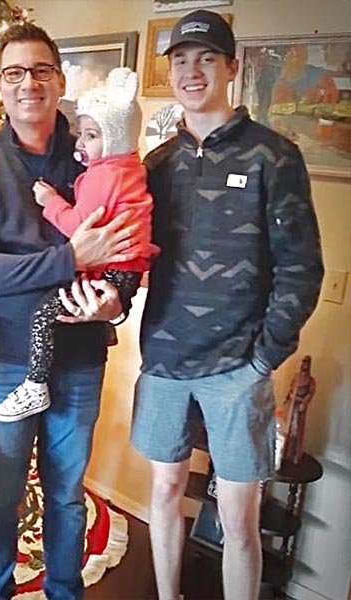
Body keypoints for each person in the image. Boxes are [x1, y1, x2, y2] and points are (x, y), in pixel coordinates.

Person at [0, 22, 147, 600]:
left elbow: (130, 237)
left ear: (59, 80)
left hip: (80, 356)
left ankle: (64, 591)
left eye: (40, 70)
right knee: (0, 493)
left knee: (66, 494)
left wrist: (117, 301)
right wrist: (69, 258)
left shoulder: (94, 151)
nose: (27, 83)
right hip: (5, 358)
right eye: (14, 72)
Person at [130, 10, 324, 600]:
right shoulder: (157, 164)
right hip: (164, 361)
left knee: (238, 519)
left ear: (232, 68)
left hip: (239, 369)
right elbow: (132, 257)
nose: (192, 72)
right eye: (181, 60)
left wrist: (264, 357)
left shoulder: (274, 156)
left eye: (207, 59)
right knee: (165, 493)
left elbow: (301, 268)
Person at [0, 67, 157, 422]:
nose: (80, 142)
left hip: (112, 273)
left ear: (114, 138)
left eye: (92, 135)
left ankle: (35, 385)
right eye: (82, 133)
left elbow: (80, 228)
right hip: (124, 272)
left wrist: (50, 201)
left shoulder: (104, 175)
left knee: (44, 315)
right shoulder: (129, 168)